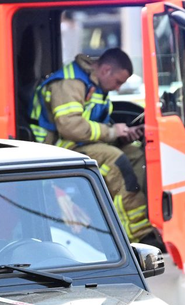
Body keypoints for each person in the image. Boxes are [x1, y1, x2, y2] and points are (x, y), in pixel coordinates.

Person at [29, 48, 160, 248]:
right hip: (56, 149)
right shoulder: (70, 83)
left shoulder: (95, 84)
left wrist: (123, 135)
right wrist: (112, 132)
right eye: (118, 82)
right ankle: (138, 235)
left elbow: (93, 123)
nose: (118, 88)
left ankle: (145, 221)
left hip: (80, 144)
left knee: (136, 155)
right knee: (116, 160)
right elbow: (70, 127)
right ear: (106, 70)